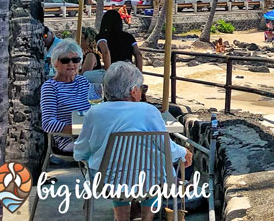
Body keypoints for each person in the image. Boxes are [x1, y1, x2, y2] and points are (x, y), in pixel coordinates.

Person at [74, 62, 192, 221]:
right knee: (154, 165)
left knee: (114, 167)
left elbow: (80, 152)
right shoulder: (148, 111)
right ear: (133, 90)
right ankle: (147, 219)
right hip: (149, 182)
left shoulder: (94, 112)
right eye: (142, 88)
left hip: (107, 183)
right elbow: (167, 148)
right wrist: (184, 152)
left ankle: (122, 218)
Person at [41, 41, 91, 154]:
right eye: (65, 60)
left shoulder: (83, 81)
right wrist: (79, 130)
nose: (71, 64)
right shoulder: (50, 87)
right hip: (69, 140)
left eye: (75, 60)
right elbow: (48, 124)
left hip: (90, 135)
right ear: (55, 63)